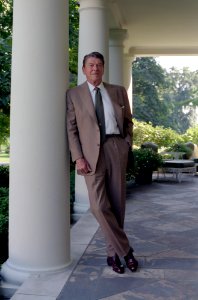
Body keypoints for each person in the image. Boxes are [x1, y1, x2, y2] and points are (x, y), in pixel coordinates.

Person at [66, 51, 138, 274]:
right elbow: (71, 128)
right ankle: (126, 251)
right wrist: (78, 157)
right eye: (90, 65)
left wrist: (126, 144)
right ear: (84, 69)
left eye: (98, 64)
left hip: (116, 148)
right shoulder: (74, 94)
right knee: (98, 206)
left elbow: (128, 122)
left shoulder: (117, 91)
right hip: (89, 155)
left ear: (103, 68)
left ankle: (113, 255)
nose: (95, 68)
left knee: (117, 206)